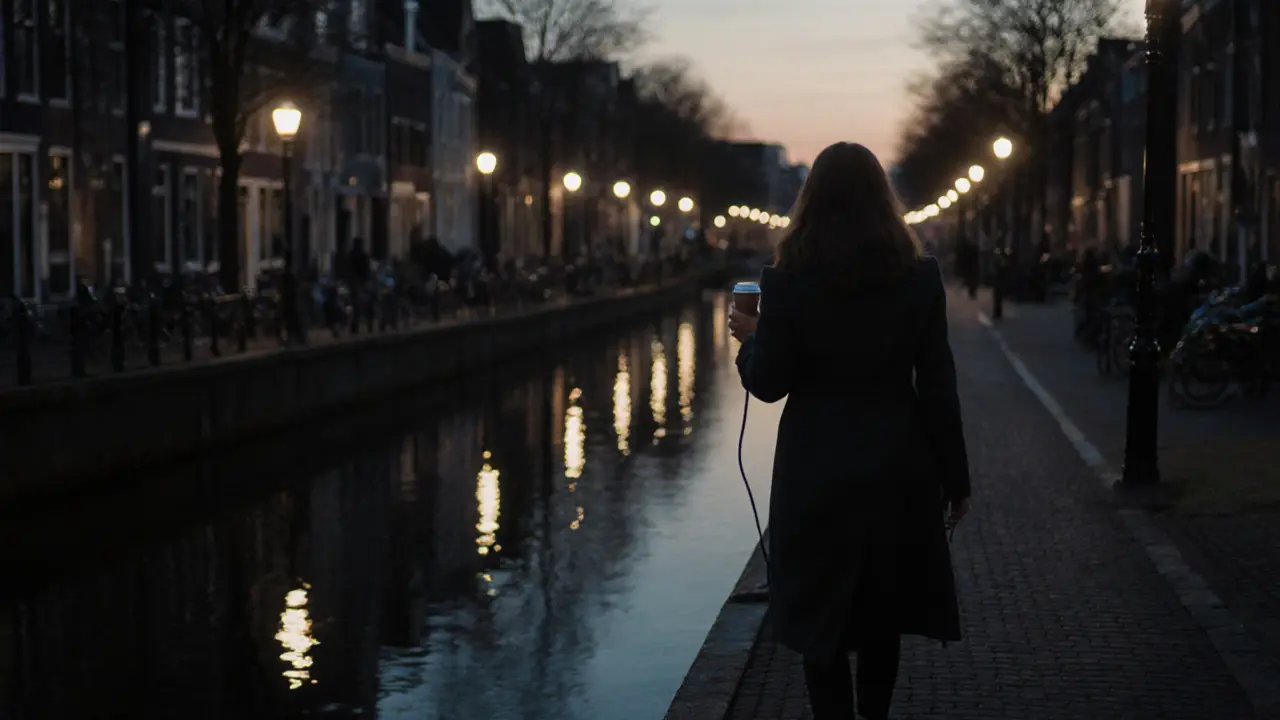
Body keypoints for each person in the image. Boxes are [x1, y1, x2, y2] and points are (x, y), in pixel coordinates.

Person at [728, 142, 971, 720]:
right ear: (882, 202)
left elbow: (769, 383)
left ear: (810, 201)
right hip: (897, 465)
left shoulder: (786, 282)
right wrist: (956, 479)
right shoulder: (919, 278)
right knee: (881, 613)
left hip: (815, 470)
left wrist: (749, 340)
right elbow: (938, 385)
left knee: (820, 617)